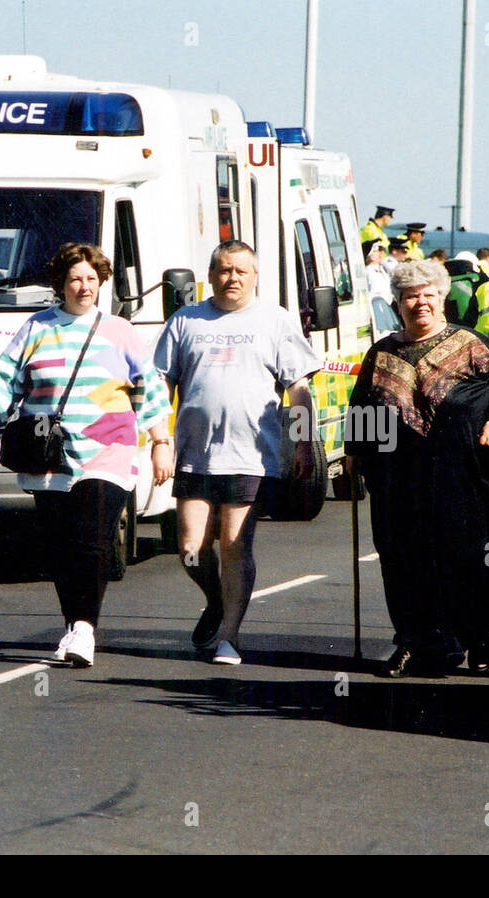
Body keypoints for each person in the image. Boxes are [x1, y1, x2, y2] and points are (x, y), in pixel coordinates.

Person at [0, 243, 174, 668]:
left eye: (93, 280)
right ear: (60, 284)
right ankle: (73, 624)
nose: (85, 287)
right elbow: (6, 378)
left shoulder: (119, 331)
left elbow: (148, 389)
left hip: (108, 449)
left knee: (92, 539)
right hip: (50, 453)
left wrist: (161, 443)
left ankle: (85, 629)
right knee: (60, 546)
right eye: (76, 279)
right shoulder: (36, 328)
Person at [344, 259, 489, 677]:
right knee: (402, 560)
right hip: (397, 478)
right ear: (398, 303)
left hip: (461, 475)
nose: (420, 303)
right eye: (410, 296)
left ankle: (473, 634)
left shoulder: (471, 344)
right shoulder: (382, 352)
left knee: (463, 558)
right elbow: (362, 408)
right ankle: (412, 642)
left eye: (428, 295)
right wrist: (354, 456)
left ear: (443, 298)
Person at [153, 239, 321, 666]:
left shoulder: (275, 320)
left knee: (234, 543)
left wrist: (302, 442)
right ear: (210, 275)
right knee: (191, 547)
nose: (232, 278)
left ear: (255, 275)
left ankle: (229, 635)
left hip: (251, 455)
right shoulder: (186, 320)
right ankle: (216, 602)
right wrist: (160, 440)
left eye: (241, 271)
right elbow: (159, 385)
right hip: (195, 454)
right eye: (224, 270)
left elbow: (298, 388)